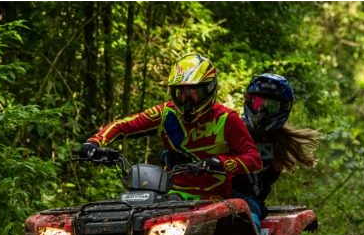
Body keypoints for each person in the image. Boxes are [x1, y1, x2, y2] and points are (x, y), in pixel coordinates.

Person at [81, 53, 262, 201]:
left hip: (213, 197)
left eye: (194, 94)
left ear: (209, 89)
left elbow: (254, 159)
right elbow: (122, 125)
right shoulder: (165, 113)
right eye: (181, 94)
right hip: (170, 193)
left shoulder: (226, 119)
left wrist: (220, 163)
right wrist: (93, 143)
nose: (188, 102)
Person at [231, 73, 320, 233]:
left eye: (270, 107)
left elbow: (264, 185)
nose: (262, 112)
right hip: (213, 197)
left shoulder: (279, 143)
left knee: (249, 231)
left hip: (246, 205)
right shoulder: (231, 129)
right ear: (249, 101)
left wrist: (256, 201)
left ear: (283, 109)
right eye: (258, 104)